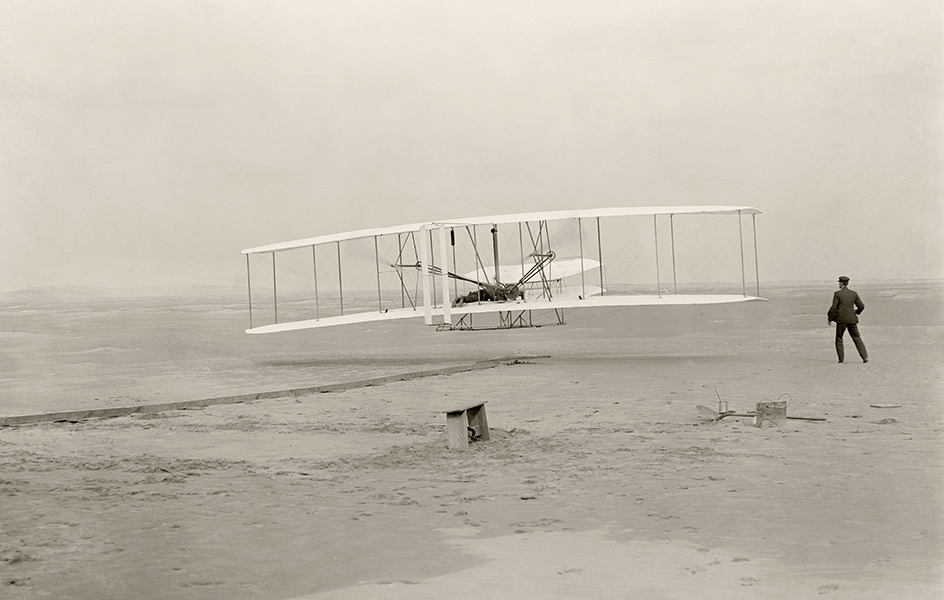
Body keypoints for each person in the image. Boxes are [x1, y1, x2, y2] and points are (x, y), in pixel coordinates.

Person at [827, 276, 868, 363]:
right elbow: (861, 306)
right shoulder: (854, 294)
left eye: (839, 283)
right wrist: (856, 312)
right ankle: (865, 358)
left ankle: (841, 360)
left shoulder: (837, 294)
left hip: (841, 320)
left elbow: (834, 308)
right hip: (852, 319)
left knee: (839, 338)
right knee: (857, 338)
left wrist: (830, 318)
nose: (839, 284)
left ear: (841, 283)